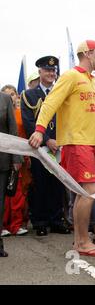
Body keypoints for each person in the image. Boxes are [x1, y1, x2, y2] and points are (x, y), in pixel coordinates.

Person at [28, 40, 95, 256]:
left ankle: (80, 241)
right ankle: (82, 242)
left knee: (87, 192)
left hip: (90, 142)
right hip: (76, 143)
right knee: (88, 192)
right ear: (88, 54)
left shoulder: (89, 80)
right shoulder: (71, 76)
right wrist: (40, 129)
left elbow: (87, 115)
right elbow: (50, 102)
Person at [21, 56, 70, 236]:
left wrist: (61, 140)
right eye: (47, 70)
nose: (51, 73)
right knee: (40, 184)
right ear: (40, 72)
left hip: (60, 146)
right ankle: (40, 221)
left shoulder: (62, 93)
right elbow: (28, 123)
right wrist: (47, 139)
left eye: (53, 70)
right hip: (39, 147)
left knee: (57, 184)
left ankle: (56, 219)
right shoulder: (29, 95)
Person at [1, 86, 29, 236]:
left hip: (15, 157)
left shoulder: (20, 113)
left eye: (12, 94)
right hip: (6, 157)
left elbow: (19, 133)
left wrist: (20, 156)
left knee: (16, 192)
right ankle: (3, 225)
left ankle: (15, 225)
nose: (10, 97)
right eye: (7, 94)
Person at [0, 92, 22, 257]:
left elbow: (13, 130)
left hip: (2, 161)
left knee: (0, 204)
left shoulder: (5, 99)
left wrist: (16, 157)